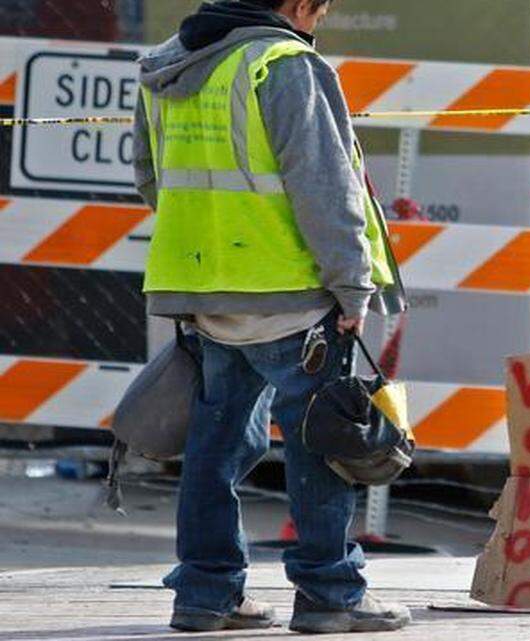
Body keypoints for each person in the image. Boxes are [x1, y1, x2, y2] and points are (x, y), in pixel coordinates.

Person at [132, 0, 407, 633]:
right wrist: (351, 284)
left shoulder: (167, 68)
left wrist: (212, 245)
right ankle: (330, 594)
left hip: (204, 290)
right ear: (298, 5)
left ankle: (205, 594)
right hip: (290, 291)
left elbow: (150, 180)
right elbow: (325, 188)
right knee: (322, 444)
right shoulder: (283, 64)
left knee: (216, 445)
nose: (320, 20)